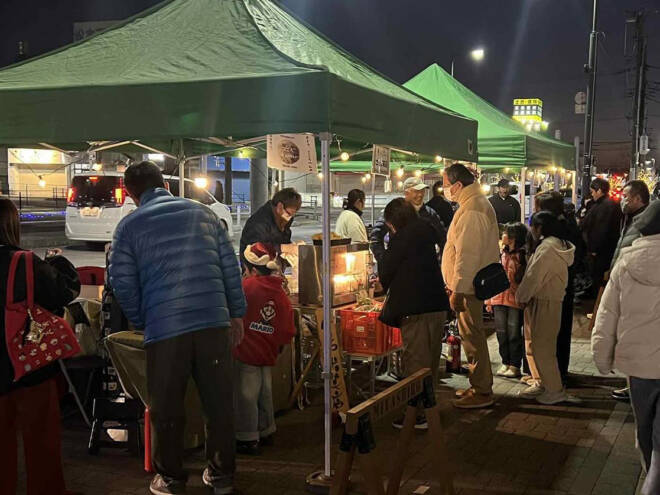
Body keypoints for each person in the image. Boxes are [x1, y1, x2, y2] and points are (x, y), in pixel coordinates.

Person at [108, 161, 247, 495]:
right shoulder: (205, 215)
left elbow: (122, 283)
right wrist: (236, 313)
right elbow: (230, 267)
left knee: (167, 408)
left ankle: (171, 479)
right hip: (213, 323)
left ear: (131, 194)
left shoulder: (129, 227)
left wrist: (144, 319)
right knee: (218, 403)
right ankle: (222, 476)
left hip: (166, 329)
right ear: (166, 185)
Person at [0, 199, 80, 495]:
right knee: (41, 442)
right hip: (29, 364)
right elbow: (64, 291)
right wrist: (58, 262)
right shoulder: (23, 262)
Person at [591, 200, 660, 495]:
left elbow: (607, 315)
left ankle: (650, 474)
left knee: (645, 429)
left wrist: (602, 356)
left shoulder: (626, 263)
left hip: (639, 365)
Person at [378, 198, 450, 429]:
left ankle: (418, 416)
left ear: (394, 221)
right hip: (436, 304)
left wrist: (381, 256)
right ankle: (429, 410)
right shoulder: (426, 232)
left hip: (415, 308)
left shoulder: (402, 238)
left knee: (416, 365)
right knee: (430, 362)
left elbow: (386, 270)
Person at [441, 163, 500, 409]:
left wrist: (458, 290)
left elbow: (467, 256)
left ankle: (482, 390)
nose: (444, 189)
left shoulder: (473, 209)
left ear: (457, 185)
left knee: (472, 336)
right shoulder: (473, 204)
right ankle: (479, 384)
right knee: (471, 335)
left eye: (445, 184)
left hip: (469, 288)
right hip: (469, 285)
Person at [233, 243, 296, 456]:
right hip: (267, 350)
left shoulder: (246, 287)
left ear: (252, 269)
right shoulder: (278, 290)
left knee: (246, 394)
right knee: (265, 391)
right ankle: (267, 430)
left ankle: (247, 437)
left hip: (246, 349)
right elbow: (287, 325)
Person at [516, 211, 575, 405]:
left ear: (540, 227)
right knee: (539, 345)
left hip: (546, 300)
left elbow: (534, 276)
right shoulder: (556, 245)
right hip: (547, 299)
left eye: (532, 225)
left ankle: (554, 390)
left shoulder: (548, 248)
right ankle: (543, 383)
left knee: (543, 347)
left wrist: (521, 296)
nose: (531, 229)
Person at [535, 191, 585, 383]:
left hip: (555, 287)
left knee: (555, 332)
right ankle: (558, 371)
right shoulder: (567, 224)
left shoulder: (558, 232)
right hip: (564, 285)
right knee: (560, 330)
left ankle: (555, 375)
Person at [370, 176, 446, 265]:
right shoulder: (396, 211)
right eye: (416, 191)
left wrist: (442, 262)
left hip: (425, 265)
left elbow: (443, 238)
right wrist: (383, 260)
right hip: (399, 264)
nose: (420, 194)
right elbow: (376, 236)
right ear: (406, 193)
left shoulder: (430, 213)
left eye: (422, 191)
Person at [486, 222, 528, 379]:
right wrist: (489, 300)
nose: (503, 235)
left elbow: (521, 279)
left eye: (506, 233)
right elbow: (493, 277)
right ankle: (505, 362)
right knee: (501, 333)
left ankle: (515, 365)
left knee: (514, 333)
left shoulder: (522, 256)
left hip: (515, 300)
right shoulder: (501, 253)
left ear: (514, 237)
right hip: (498, 298)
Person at [579, 177, 622, 298]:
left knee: (598, 274)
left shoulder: (605, 205)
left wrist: (594, 248)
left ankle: (596, 299)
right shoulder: (604, 203)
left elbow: (600, 228)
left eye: (593, 191)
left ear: (599, 191)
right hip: (604, 248)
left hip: (602, 250)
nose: (592, 194)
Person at [240, 188, 303, 268]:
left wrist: (292, 248)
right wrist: (284, 248)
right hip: (255, 270)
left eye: (293, 215)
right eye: (289, 213)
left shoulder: (282, 219)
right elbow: (254, 250)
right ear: (280, 206)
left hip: (275, 267)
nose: (289, 218)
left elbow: (282, 240)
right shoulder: (259, 221)